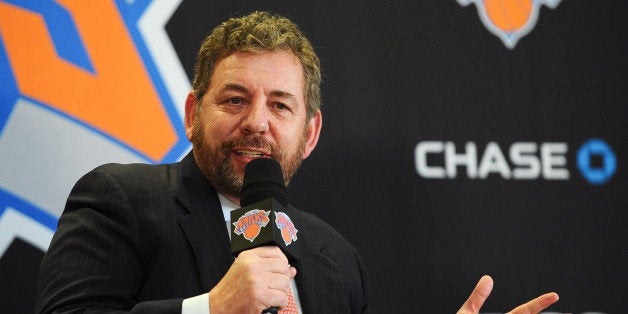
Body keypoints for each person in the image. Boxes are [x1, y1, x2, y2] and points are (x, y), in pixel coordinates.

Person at [36, 11, 558, 314]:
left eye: (280, 105)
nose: (257, 122)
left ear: (309, 134)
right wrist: (211, 309)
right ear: (194, 112)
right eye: (235, 100)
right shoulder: (123, 200)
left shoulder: (336, 258)